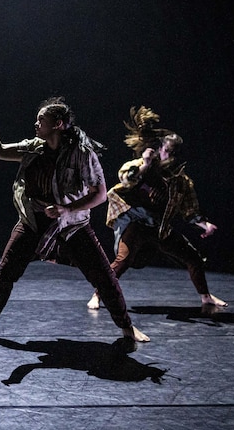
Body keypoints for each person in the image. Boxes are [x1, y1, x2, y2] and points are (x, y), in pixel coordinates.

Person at [0, 98, 148, 351]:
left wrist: (66, 208)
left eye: (41, 120)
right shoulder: (34, 148)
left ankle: (127, 327)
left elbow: (99, 194)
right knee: (4, 274)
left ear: (58, 124)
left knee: (104, 278)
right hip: (33, 223)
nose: (36, 124)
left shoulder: (83, 154)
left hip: (71, 225)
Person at [86, 106, 226, 310]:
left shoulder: (182, 182)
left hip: (158, 227)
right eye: (168, 151)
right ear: (160, 149)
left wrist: (205, 225)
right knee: (123, 260)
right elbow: (126, 180)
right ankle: (98, 295)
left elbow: (190, 211)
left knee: (193, 257)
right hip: (135, 222)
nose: (170, 157)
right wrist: (145, 163)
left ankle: (206, 297)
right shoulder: (142, 165)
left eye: (175, 154)